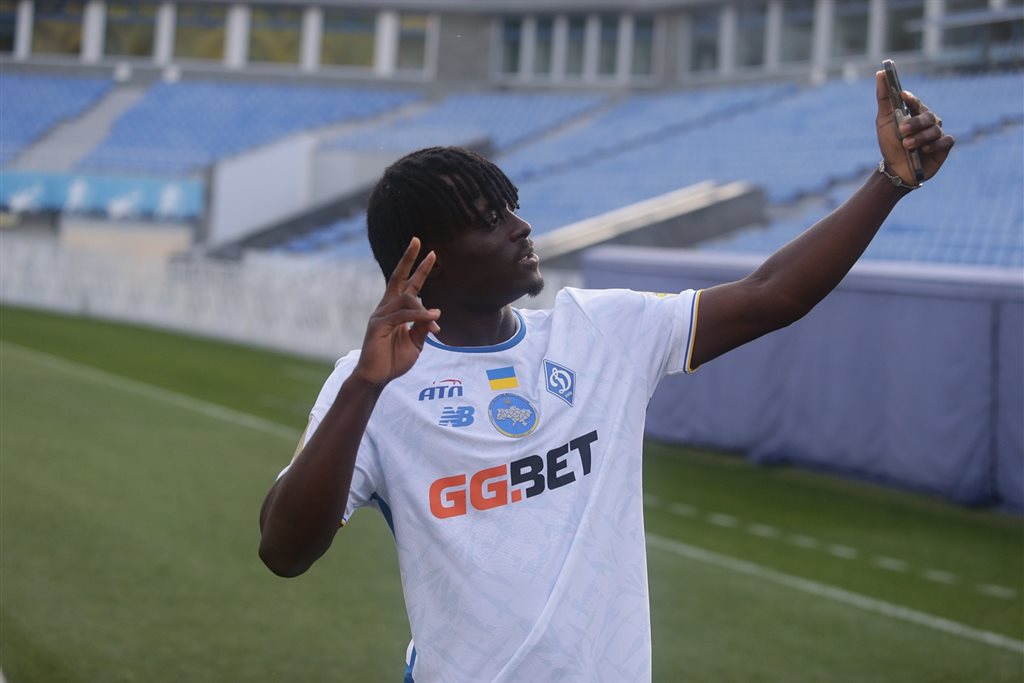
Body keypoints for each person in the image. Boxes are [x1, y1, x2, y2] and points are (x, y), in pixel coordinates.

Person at [259, 71, 953, 682]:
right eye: (492, 219)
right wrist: (364, 389)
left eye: (512, 207)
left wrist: (890, 181)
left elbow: (772, 295)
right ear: (426, 260)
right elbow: (284, 551)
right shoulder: (373, 384)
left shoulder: (599, 330)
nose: (522, 226)